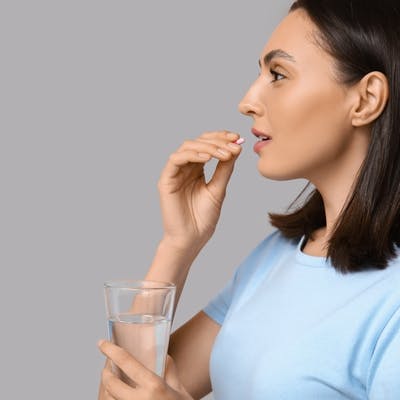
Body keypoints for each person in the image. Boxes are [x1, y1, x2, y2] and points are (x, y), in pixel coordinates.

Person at [97, 0, 400, 398]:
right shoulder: (275, 257)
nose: (247, 101)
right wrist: (179, 243)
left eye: (278, 74)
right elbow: (122, 392)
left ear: (365, 99)